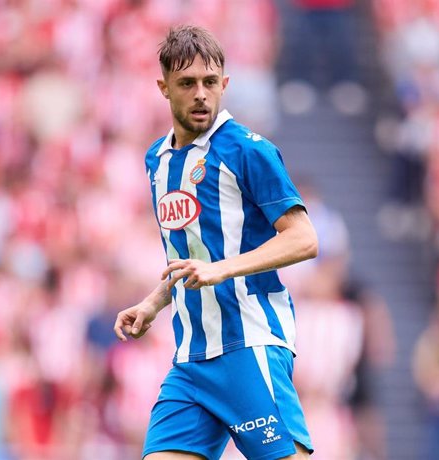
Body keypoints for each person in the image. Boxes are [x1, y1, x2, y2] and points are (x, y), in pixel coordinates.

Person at [113, 25, 318, 460]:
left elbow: (303, 239)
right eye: (187, 84)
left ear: (224, 83)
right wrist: (154, 301)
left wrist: (222, 269)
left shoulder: (248, 150)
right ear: (163, 88)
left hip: (248, 345)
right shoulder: (157, 161)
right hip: (191, 359)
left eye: (210, 83)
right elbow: (190, 254)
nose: (201, 94)